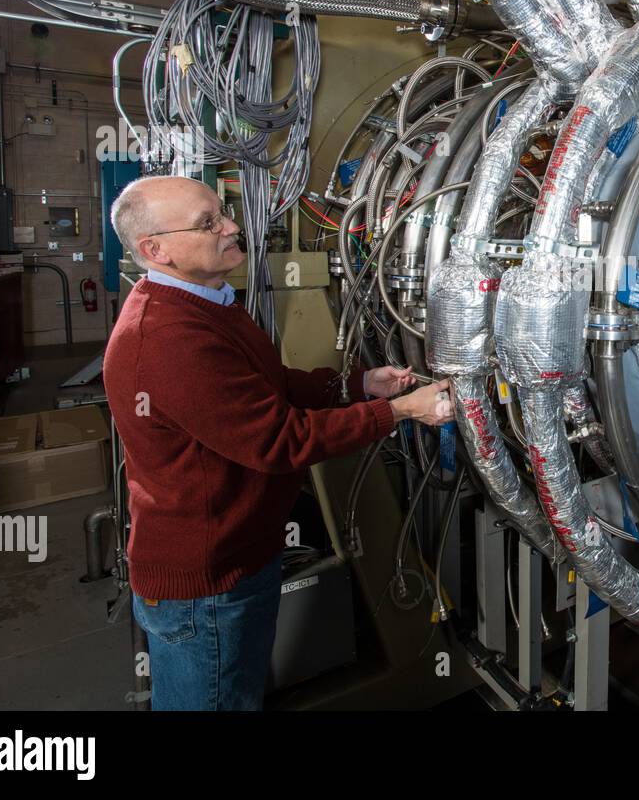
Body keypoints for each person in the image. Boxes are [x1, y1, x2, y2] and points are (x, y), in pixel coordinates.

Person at [103, 174, 453, 710]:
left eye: (221, 212)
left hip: (241, 557)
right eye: (208, 223)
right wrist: (398, 412)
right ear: (157, 250)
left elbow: (267, 388)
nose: (231, 226)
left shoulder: (207, 300)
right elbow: (278, 439)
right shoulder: (167, 338)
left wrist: (358, 384)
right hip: (205, 584)